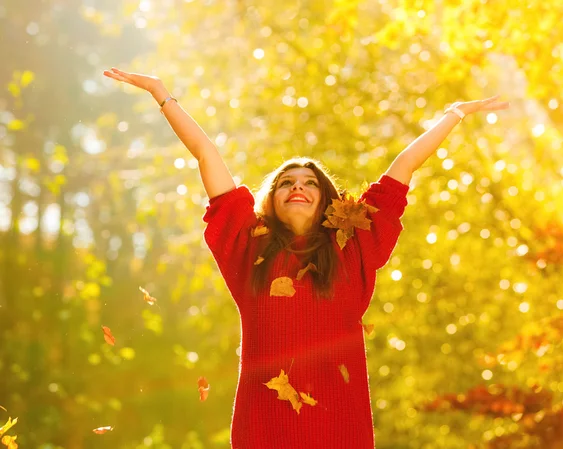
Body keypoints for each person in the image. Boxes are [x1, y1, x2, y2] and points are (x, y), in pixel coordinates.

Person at [103, 67, 509, 449]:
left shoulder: (354, 248)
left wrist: (453, 114)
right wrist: (162, 94)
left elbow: (403, 167)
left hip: (340, 429)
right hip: (264, 430)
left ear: (326, 198)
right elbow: (205, 155)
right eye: (286, 183)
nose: (297, 187)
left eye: (309, 182)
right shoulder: (249, 250)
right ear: (272, 200)